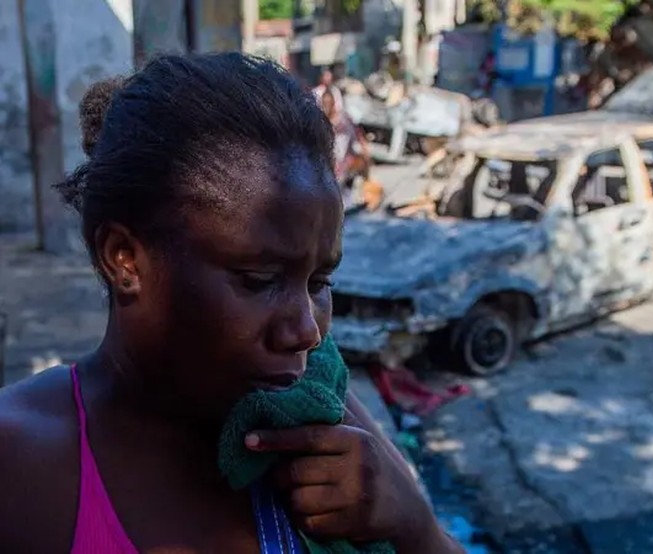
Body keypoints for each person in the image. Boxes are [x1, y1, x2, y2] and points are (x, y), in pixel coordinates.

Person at [0, 53, 462, 553]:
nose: (307, 331)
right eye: (260, 279)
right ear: (125, 258)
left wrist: (416, 528)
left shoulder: (308, 415)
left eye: (318, 281)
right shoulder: (21, 461)